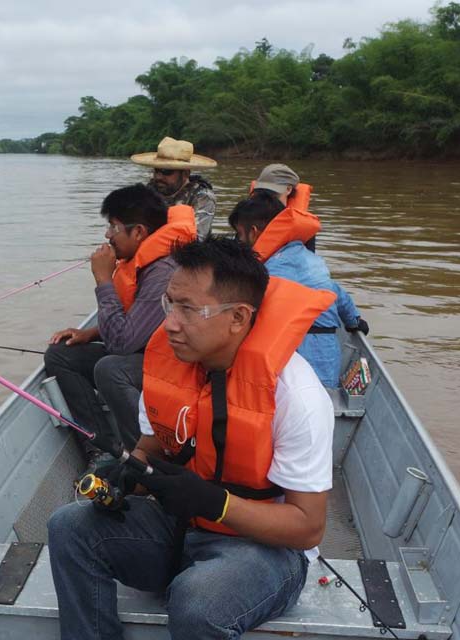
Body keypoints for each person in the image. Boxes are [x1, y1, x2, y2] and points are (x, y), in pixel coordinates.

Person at [48, 237, 336, 640]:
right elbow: (151, 446)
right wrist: (128, 470)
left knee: (196, 601)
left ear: (238, 317)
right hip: (181, 527)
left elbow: (307, 528)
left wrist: (213, 503)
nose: (169, 323)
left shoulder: (297, 396)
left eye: (188, 309)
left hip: (264, 551)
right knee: (70, 527)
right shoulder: (171, 364)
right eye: (169, 303)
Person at [45, 184, 196, 472]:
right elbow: (133, 321)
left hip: (174, 365)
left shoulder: (163, 270)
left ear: (138, 232)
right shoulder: (142, 262)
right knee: (60, 354)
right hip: (144, 352)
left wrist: (103, 279)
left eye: (113, 227)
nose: (107, 236)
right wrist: (90, 333)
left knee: (111, 368)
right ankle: (101, 447)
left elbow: (122, 344)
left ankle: (141, 462)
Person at [229, 193, 369, 388]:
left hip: (290, 363)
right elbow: (336, 291)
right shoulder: (311, 259)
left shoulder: (265, 272)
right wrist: (354, 321)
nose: (239, 241)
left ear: (253, 232)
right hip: (328, 363)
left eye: (239, 235)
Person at [131, 136, 217, 239]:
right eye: (157, 170)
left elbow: (197, 239)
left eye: (166, 172)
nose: (158, 177)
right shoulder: (149, 192)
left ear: (185, 173)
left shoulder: (202, 197)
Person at [250, 163, 317, 252]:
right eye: (261, 193)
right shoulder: (247, 218)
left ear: (288, 189)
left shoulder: (304, 226)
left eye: (272, 194)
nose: (266, 200)